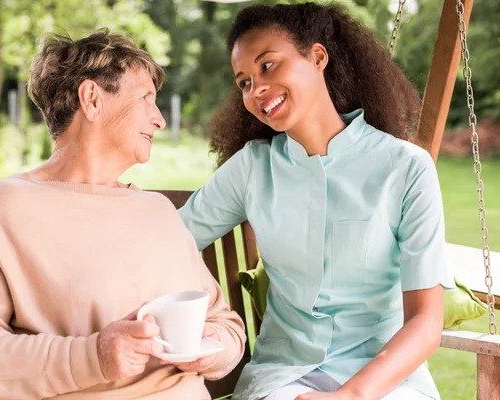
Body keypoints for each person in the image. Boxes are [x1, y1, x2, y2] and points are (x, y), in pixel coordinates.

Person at [0, 29, 245, 400]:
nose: (160, 120)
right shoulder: (6, 207)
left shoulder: (157, 211)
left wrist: (210, 348)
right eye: (146, 99)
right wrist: (94, 357)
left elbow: (224, 323)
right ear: (92, 99)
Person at [178, 3, 453, 400]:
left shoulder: (405, 168)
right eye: (244, 82)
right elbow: (171, 242)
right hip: (282, 377)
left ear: (318, 57)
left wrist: (351, 396)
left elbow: (426, 321)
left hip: (386, 382)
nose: (256, 89)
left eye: (268, 66)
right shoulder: (253, 168)